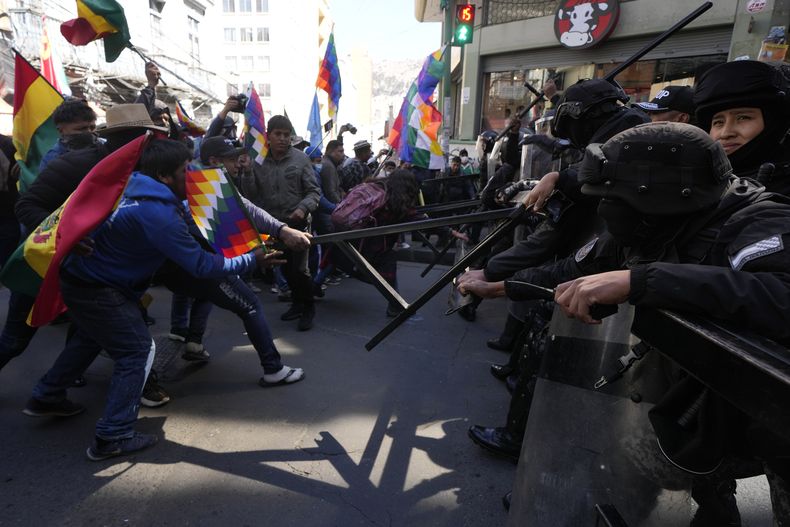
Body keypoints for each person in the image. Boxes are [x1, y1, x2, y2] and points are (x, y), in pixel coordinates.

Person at [461, 122, 790, 526]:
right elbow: (574, 269)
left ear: (663, 192)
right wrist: (502, 286)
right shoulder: (648, 222)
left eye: (616, 198)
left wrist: (641, 280)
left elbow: (780, 296)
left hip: (773, 417)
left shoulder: (758, 221)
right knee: (672, 468)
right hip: (697, 400)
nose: (607, 210)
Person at [24, 139, 285, 461]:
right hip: (99, 289)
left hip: (85, 281)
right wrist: (252, 260)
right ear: (164, 176)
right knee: (136, 351)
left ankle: (46, 395)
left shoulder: (131, 189)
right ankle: (112, 435)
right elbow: (202, 266)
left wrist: (273, 231)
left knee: (90, 338)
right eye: (184, 169)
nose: (190, 174)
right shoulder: (157, 213)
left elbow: (223, 210)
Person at [1, 105, 170, 403]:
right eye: (143, 136)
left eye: (152, 136)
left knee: (99, 333)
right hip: (46, 265)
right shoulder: (75, 164)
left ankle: (53, 393)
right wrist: (67, 236)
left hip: (96, 275)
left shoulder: (144, 168)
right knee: (16, 339)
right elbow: (27, 206)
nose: (149, 142)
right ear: (121, 139)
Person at [240, 114, 320, 331]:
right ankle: (296, 304)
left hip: (298, 224)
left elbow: (314, 191)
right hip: (272, 226)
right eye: (278, 134)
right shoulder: (258, 160)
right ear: (269, 136)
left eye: (287, 135)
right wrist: (247, 172)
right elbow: (250, 194)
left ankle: (309, 308)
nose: (283, 139)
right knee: (283, 269)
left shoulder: (300, 159)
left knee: (299, 270)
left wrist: (302, 208)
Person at [39, 98, 98, 172]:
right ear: (61, 130)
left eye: (92, 128)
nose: (89, 132)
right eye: (81, 129)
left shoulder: (103, 147)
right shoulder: (52, 160)